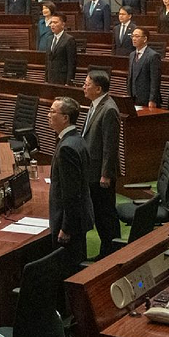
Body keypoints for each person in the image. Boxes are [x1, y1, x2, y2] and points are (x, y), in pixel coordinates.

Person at [47, 97, 95, 268]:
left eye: (53, 111)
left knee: (68, 269)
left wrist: (66, 228)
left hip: (69, 222)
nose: (48, 115)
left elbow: (71, 193)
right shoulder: (77, 139)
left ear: (65, 117)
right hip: (78, 217)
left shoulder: (67, 148)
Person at [81, 70, 121, 258]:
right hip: (92, 169)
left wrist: (105, 174)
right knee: (99, 212)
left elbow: (110, 146)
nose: (84, 86)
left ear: (98, 88)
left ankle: (112, 253)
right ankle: (107, 251)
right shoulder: (96, 105)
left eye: (87, 84)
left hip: (100, 173)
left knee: (105, 214)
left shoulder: (109, 109)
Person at [43, 15, 76, 84]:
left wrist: (68, 82)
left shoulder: (69, 39)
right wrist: (46, 79)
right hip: (50, 78)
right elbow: (47, 60)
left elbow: (71, 63)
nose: (52, 25)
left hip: (62, 79)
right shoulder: (49, 39)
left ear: (63, 24)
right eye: (51, 22)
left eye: (55, 22)